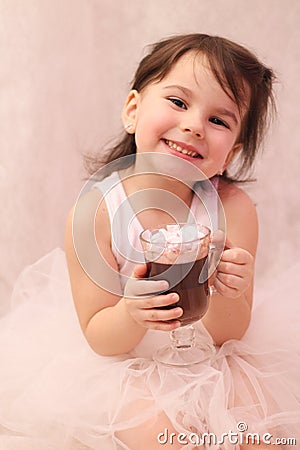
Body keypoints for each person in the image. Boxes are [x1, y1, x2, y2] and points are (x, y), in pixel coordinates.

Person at [0, 34, 299, 450]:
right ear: (133, 110)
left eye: (219, 120)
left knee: (256, 433)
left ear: (230, 153)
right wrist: (130, 312)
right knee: (162, 434)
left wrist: (230, 290)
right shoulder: (95, 212)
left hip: (210, 356)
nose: (195, 125)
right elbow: (99, 336)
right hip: (126, 361)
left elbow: (229, 333)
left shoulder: (232, 208)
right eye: (178, 102)